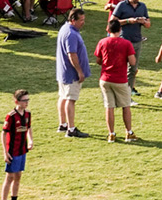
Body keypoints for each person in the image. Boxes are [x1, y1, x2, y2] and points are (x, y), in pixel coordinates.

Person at [95, 18, 138, 142]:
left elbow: (98, 60)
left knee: (109, 107)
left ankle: (111, 134)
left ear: (108, 29)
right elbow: (132, 62)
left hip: (105, 79)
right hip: (120, 79)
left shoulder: (102, 42)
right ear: (120, 29)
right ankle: (129, 132)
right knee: (126, 106)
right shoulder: (126, 43)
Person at [54, 9, 91, 138]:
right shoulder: (71, 34)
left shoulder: (65, 29)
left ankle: (63, 124)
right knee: (71, 100)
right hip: (71, 74)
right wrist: (80, 71)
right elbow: (72, 54)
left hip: (63, 72)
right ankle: (71, 129)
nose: (83, 22)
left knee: (63, 97)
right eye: (81, 20)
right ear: (73, 20)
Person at [0, 89, 33, 200]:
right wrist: (5, 152)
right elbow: (4, 133)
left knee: (18, 176)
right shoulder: (11, 116)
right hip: (13, 151)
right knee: (9, 177)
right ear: (17, 101)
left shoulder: (27, 114)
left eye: (28, 100)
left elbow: (28, 127)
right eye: (24, 100)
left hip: (22, 150)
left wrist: (30, 140)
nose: (27, 102)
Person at [112, 0, 151, 95]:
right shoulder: (121, 5)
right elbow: (112, 21)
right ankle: (119, 91)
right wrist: (128, 21)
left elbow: (148, 24)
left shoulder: (142, 6)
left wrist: (143, 21)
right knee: (121, 67)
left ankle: (129, 92)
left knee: (133, 68)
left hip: (137, 40)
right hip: (123, 40)